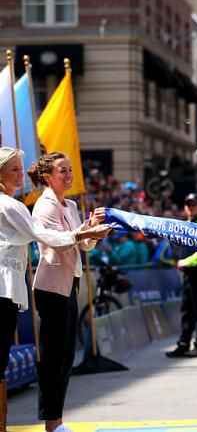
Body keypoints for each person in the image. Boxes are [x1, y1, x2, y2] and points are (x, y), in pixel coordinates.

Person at [0, 148, 109, 432]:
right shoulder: (41, 205)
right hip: (49, 286)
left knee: (66, 356)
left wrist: (89, 230)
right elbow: (50, 240)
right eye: (63, 170)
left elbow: (82, 246)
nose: (69, 175)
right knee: (53, 357)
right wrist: (81, 233)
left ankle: (56, 420)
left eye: (71, 169)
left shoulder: (70, 206)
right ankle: (52, 421)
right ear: (47, 178)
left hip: (68, 283)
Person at [165, 193, 197, 358]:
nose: (190, 207)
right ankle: (183, 344)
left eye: (193, 204)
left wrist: (187, 262)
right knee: (186, 309)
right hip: (188, 273)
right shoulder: (186, 223)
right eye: (187, 204)